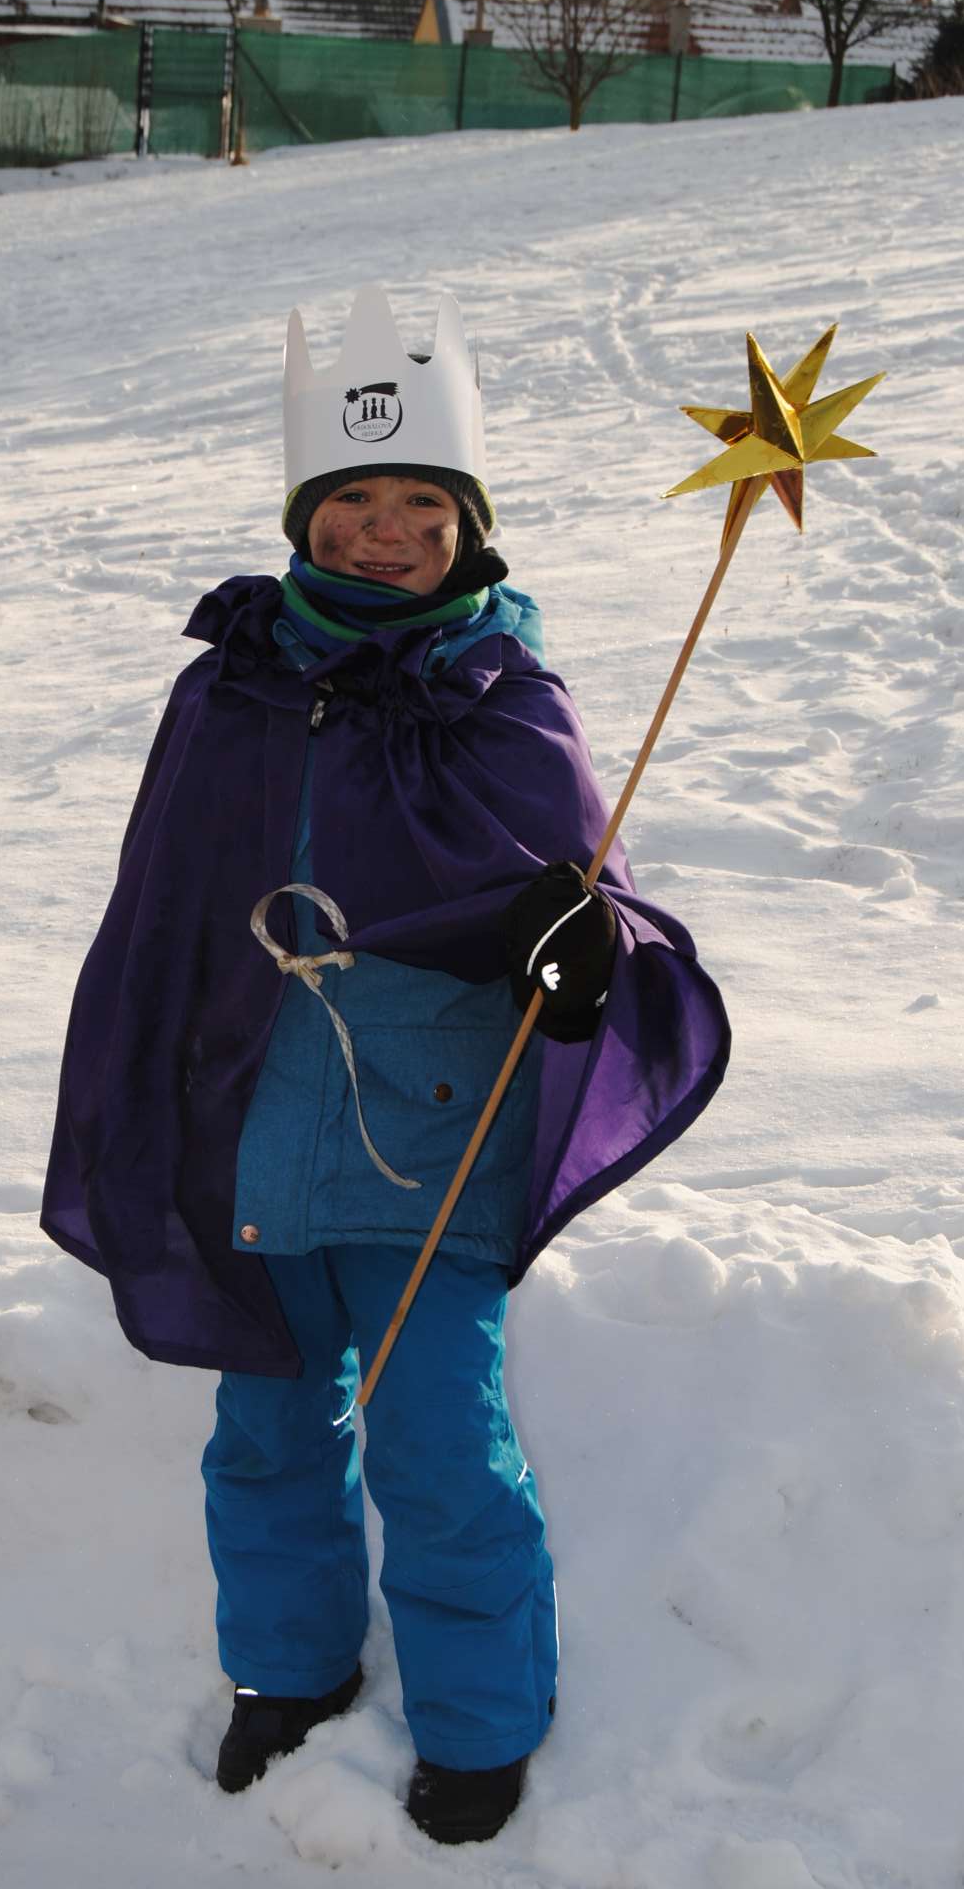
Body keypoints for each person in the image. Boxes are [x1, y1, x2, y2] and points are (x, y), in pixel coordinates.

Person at [41, 285, 730, 1845]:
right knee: (267, 1432)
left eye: (421, 504)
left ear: (464, 522)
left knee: (438, 1444)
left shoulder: (503, 695)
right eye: (353, 503)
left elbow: (588, 902)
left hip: (433, 1137)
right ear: (307, 516)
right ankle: (285, 1675)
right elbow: (162, 905)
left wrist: (573, 950)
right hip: (249, 1122)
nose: (386, 532)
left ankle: (479, 1725)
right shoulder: (228, 689)